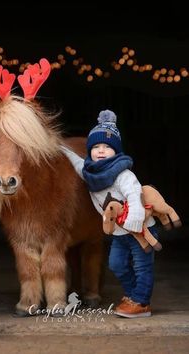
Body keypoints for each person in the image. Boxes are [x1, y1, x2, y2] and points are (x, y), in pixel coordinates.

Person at [61, 109, 158, 318]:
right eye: (96, 147)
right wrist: (59, 147)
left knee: (142, 267)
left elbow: (134, 195)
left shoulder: (123, 174)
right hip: (119, 234)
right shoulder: (90, 172)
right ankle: (133, 295)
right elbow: (77, 162)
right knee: (116, 264)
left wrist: (134, 219)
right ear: (90, 151)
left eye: (107, 147)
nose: (101, 151)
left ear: (117, 151)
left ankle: (141, 302)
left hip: (139, 230)